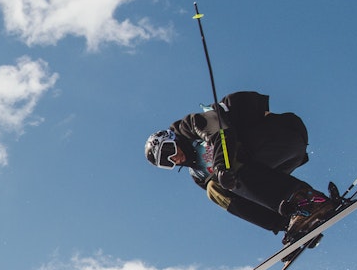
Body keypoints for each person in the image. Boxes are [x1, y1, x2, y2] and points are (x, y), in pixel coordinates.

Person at [145, 91, 340, 247]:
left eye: (169, 150)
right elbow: (245, 197)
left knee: (224, 170)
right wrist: (290, 227)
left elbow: (220, 131)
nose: (175, 158)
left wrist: (222, 167)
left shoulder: (190, 126)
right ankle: (296, 218)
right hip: (271, 165)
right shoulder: (198, 175)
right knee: (215, 190)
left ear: (172, 138)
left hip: (280, 135)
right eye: (167, 162)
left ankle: (307, 199)